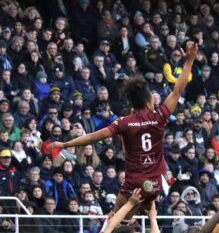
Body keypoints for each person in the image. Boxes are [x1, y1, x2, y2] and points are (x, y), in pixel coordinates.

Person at [48, 42, 198, 218]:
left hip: (133, 180)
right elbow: (177, 90)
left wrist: (64, 144)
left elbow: (92, 137)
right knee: (149, 212)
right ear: (148, 102)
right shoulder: (159, 116)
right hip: (154, 181)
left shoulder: (123, 122)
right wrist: (189, 62)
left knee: (115, 218)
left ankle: (115, 228)